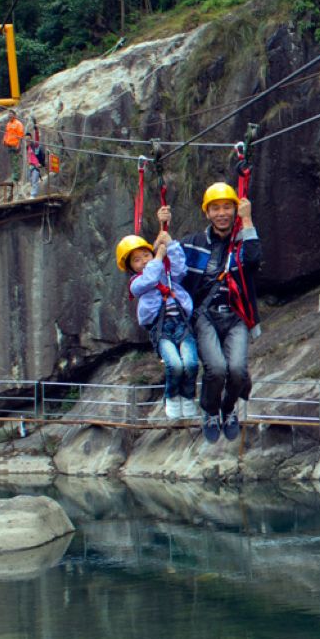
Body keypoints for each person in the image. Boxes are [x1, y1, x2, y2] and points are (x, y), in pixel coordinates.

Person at [157, 182, 261, 443]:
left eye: (227, 207)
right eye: (216, 208)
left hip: (236, 314)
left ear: (235, 210)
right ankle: (211, 411)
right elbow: (164, 263)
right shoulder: (193, 243)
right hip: (205, 315)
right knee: (215, 368)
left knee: (237, 370)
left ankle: (228, 409)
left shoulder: (242, 242)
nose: (222, 213)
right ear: (207, 212)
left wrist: (247, 220)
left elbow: (254, 259)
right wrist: (162, 229)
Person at [116, 231, 200, 421]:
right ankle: (170, 397)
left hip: (181, 323)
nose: (144, 261)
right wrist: (158, 257)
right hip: (161, 329)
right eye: (137, 260)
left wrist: (170, 244)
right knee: (175, 365)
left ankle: (187, 396)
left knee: (191, 363)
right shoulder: (136, 283)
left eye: (146, 255)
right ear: (131, 268)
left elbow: (181, 268)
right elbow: (151, 279)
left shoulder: (167, 273)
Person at [3, 109, 25, 182]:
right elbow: (6, 133)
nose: (9, 116)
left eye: (11, 115)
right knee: (12, 160)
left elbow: (20, 135)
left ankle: (17, 175)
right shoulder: (8, 124)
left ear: (14, 115)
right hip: (9, 144)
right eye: (9, 115)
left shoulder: (18, 124)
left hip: (15, 145)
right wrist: (4, 140)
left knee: (15, 160)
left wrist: (18, 144)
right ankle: (14, 173)